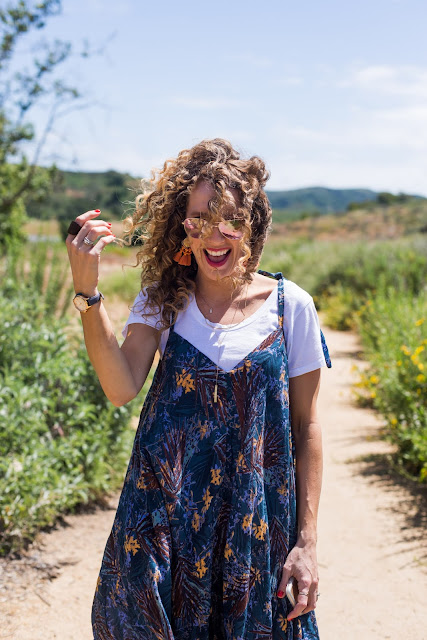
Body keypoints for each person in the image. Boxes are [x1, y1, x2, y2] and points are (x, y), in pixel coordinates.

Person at [65, 138, 331, 640]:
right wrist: (87, 294)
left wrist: (307, 542)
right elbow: (120, 387)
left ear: (253, 222)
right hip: (163, 520)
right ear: (180, 227)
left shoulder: (290, 306)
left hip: (253, 530)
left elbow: (307, 427)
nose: (215, 235)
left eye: (229, 218)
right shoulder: (163, 299)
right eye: (198, 219)